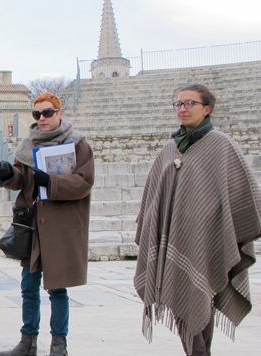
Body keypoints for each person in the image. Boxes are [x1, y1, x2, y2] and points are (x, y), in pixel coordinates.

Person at [133, 84, 261, 356]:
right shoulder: (170, 149)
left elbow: (245, 196)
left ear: (207, 109)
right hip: (174, 240)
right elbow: (154, 199)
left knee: (203, 295)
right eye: (178, 104)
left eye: (190, 103)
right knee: (185, 297)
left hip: (208, 239)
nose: (182, 109)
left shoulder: (222, 146)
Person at [0, 92, 94, 356]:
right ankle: (28, 343)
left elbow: (84, 181)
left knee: (57, 288)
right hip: (33, 226)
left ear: (59, 113)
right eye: (37, 114)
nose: (42, 118)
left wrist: (50, 181)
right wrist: (8, 174)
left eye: (47, 112)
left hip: (60, 226)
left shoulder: (78, 143)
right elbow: (20, 179)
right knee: (28, 287)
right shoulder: (27, 145)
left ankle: (58, 345)